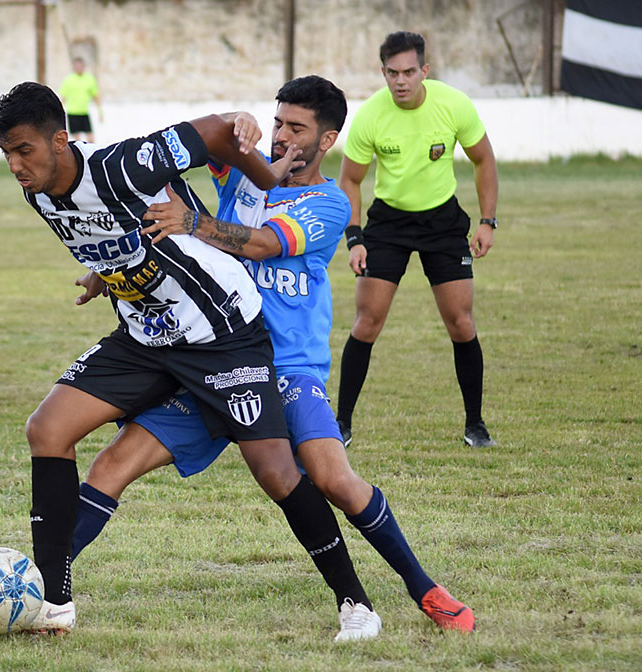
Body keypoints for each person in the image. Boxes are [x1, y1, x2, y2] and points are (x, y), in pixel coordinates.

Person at [69, 75, 476, 637]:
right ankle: (45, 587)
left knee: (332, 478)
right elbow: (193, 152)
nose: (282, 135)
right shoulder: (246, 169)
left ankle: (422, 587)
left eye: (296, 128)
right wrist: (237, 120)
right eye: (278, 121)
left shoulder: (329, 203)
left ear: (326, 140)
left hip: (286, 368)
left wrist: (196, 223)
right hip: (213, 358)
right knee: (112, 464)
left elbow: (261, 243)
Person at [0, 81, 333, 636]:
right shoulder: (39, 193)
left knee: (274, 472)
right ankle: (53, 602)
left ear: (60, 141)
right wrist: (104, 275)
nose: (14, 166)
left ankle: (353, 602)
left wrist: (269, 174)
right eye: (6, 153)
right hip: (148, 336)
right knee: (47, 430)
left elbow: (218, 133)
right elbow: (120, 235)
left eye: (23, 150)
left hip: (221, 329)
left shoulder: (125, 165)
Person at [336, 31, 500, 449]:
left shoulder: (453, 104)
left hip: (443, 223)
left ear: (424, 70)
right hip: (388, 224)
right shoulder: (371, 115)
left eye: (409, 71)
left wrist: (487, 222)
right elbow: (350, 181)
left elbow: (484, 159)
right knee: (366, 322)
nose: (401, 81)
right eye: (392, 73)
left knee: (461, 323)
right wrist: (355, 238)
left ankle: (475, 426)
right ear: (383, 73)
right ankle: (341, 425)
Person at [59, 57, 102, 142]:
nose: (79, 68)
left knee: (91, 138)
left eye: (80, 66)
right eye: (77, 66)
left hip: (84, 112)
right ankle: (79, 155)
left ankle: (92, 154)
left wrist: (100, 111)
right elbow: (63, 97)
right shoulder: (68, 80)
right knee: (77, 140)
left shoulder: (90, 79)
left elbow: (95, 96)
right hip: (73, 113)